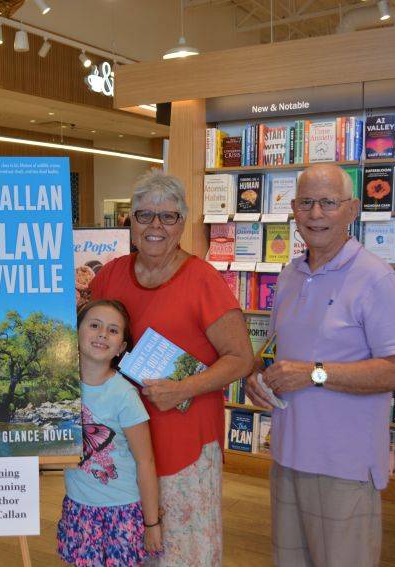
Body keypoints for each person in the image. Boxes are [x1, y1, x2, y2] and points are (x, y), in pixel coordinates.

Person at [244, 163, 395, 567]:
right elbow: (278, 352)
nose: (316, 214)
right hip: (286, 456)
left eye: (328, 203)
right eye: (306, 203)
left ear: (352, 210)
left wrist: (315, 373)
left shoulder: (376, 279)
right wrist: (256, 376)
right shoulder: (288, 276)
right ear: (292, 209)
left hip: (344, 465)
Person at [89, 170, 254, 566]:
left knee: (183, 553)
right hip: (122, 449)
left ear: (182, 222)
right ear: (130, 221)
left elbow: (241, 358)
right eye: (145, 216)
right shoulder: (110, 275)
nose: (156, 226)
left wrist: (184, 388)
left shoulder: (203, 281)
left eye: (168, 216)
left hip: (184, 445)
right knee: (130, 551)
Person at [57, 299, 161, 566]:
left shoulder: (124, 395)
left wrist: (151, 523)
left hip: (122, 511)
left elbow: (145, 461)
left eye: (113, 330)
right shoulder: (60, 388)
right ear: (75, 331)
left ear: (122, 347)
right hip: (79, 509)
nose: (103, 333)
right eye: (94, 325)